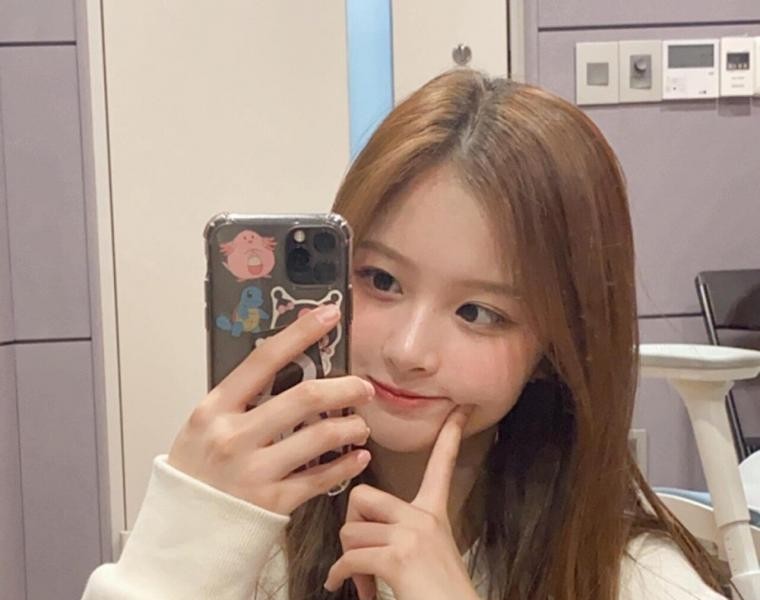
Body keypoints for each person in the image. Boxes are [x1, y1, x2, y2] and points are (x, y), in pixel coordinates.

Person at [82, 69, 729, 600]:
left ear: (554, 349)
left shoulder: (639, 580)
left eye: (479, 313)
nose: (407, 350)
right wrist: (184, 541)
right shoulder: (252, 542)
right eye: (381, 279)